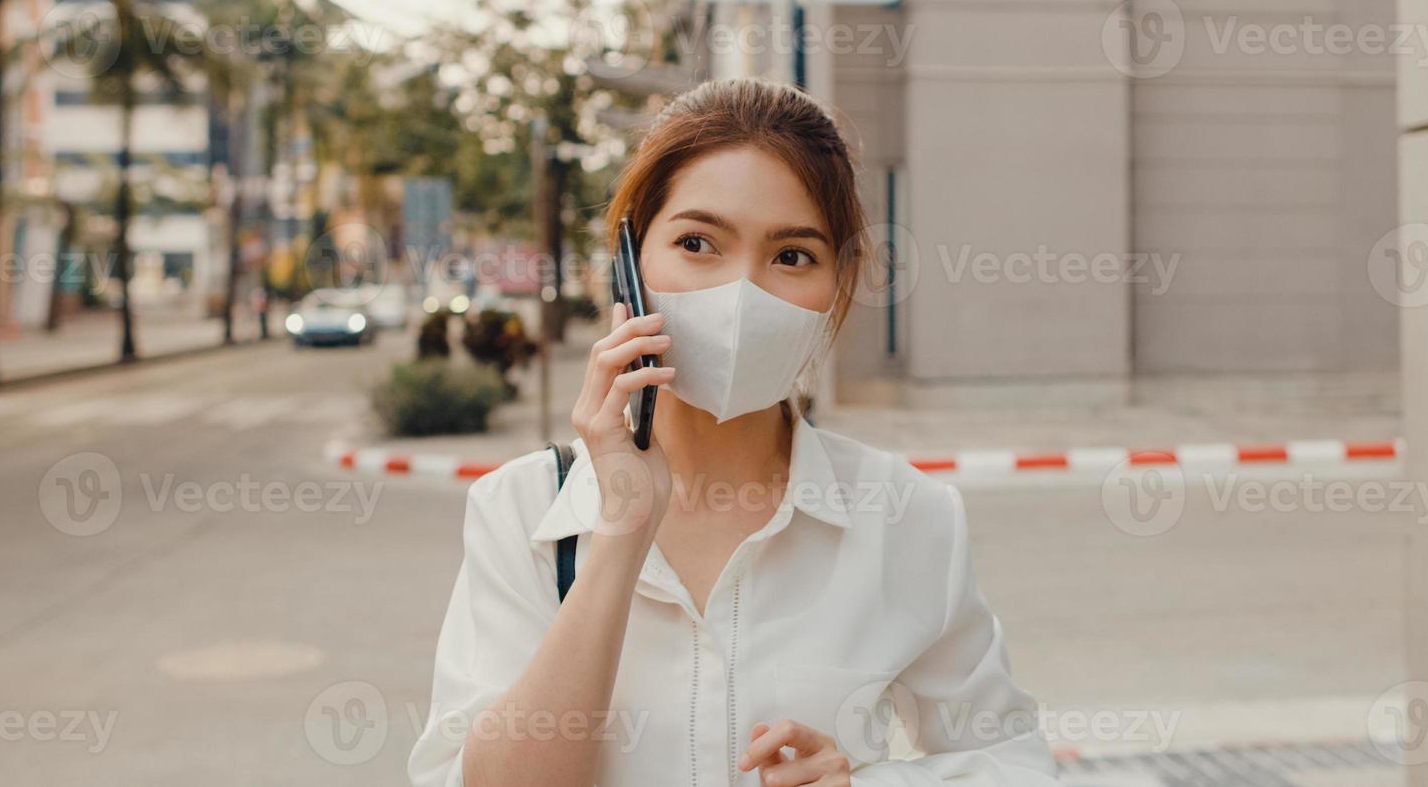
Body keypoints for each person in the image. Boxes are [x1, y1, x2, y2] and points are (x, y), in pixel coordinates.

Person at [408, 78, 1060, 786]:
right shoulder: (522, 511)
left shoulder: (907, 516)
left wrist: (867, 784)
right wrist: (621, 534)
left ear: (837, 287)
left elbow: (1014, 762)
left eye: (791, 256)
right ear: (629, 266)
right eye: (697, 242)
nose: (742, 294)